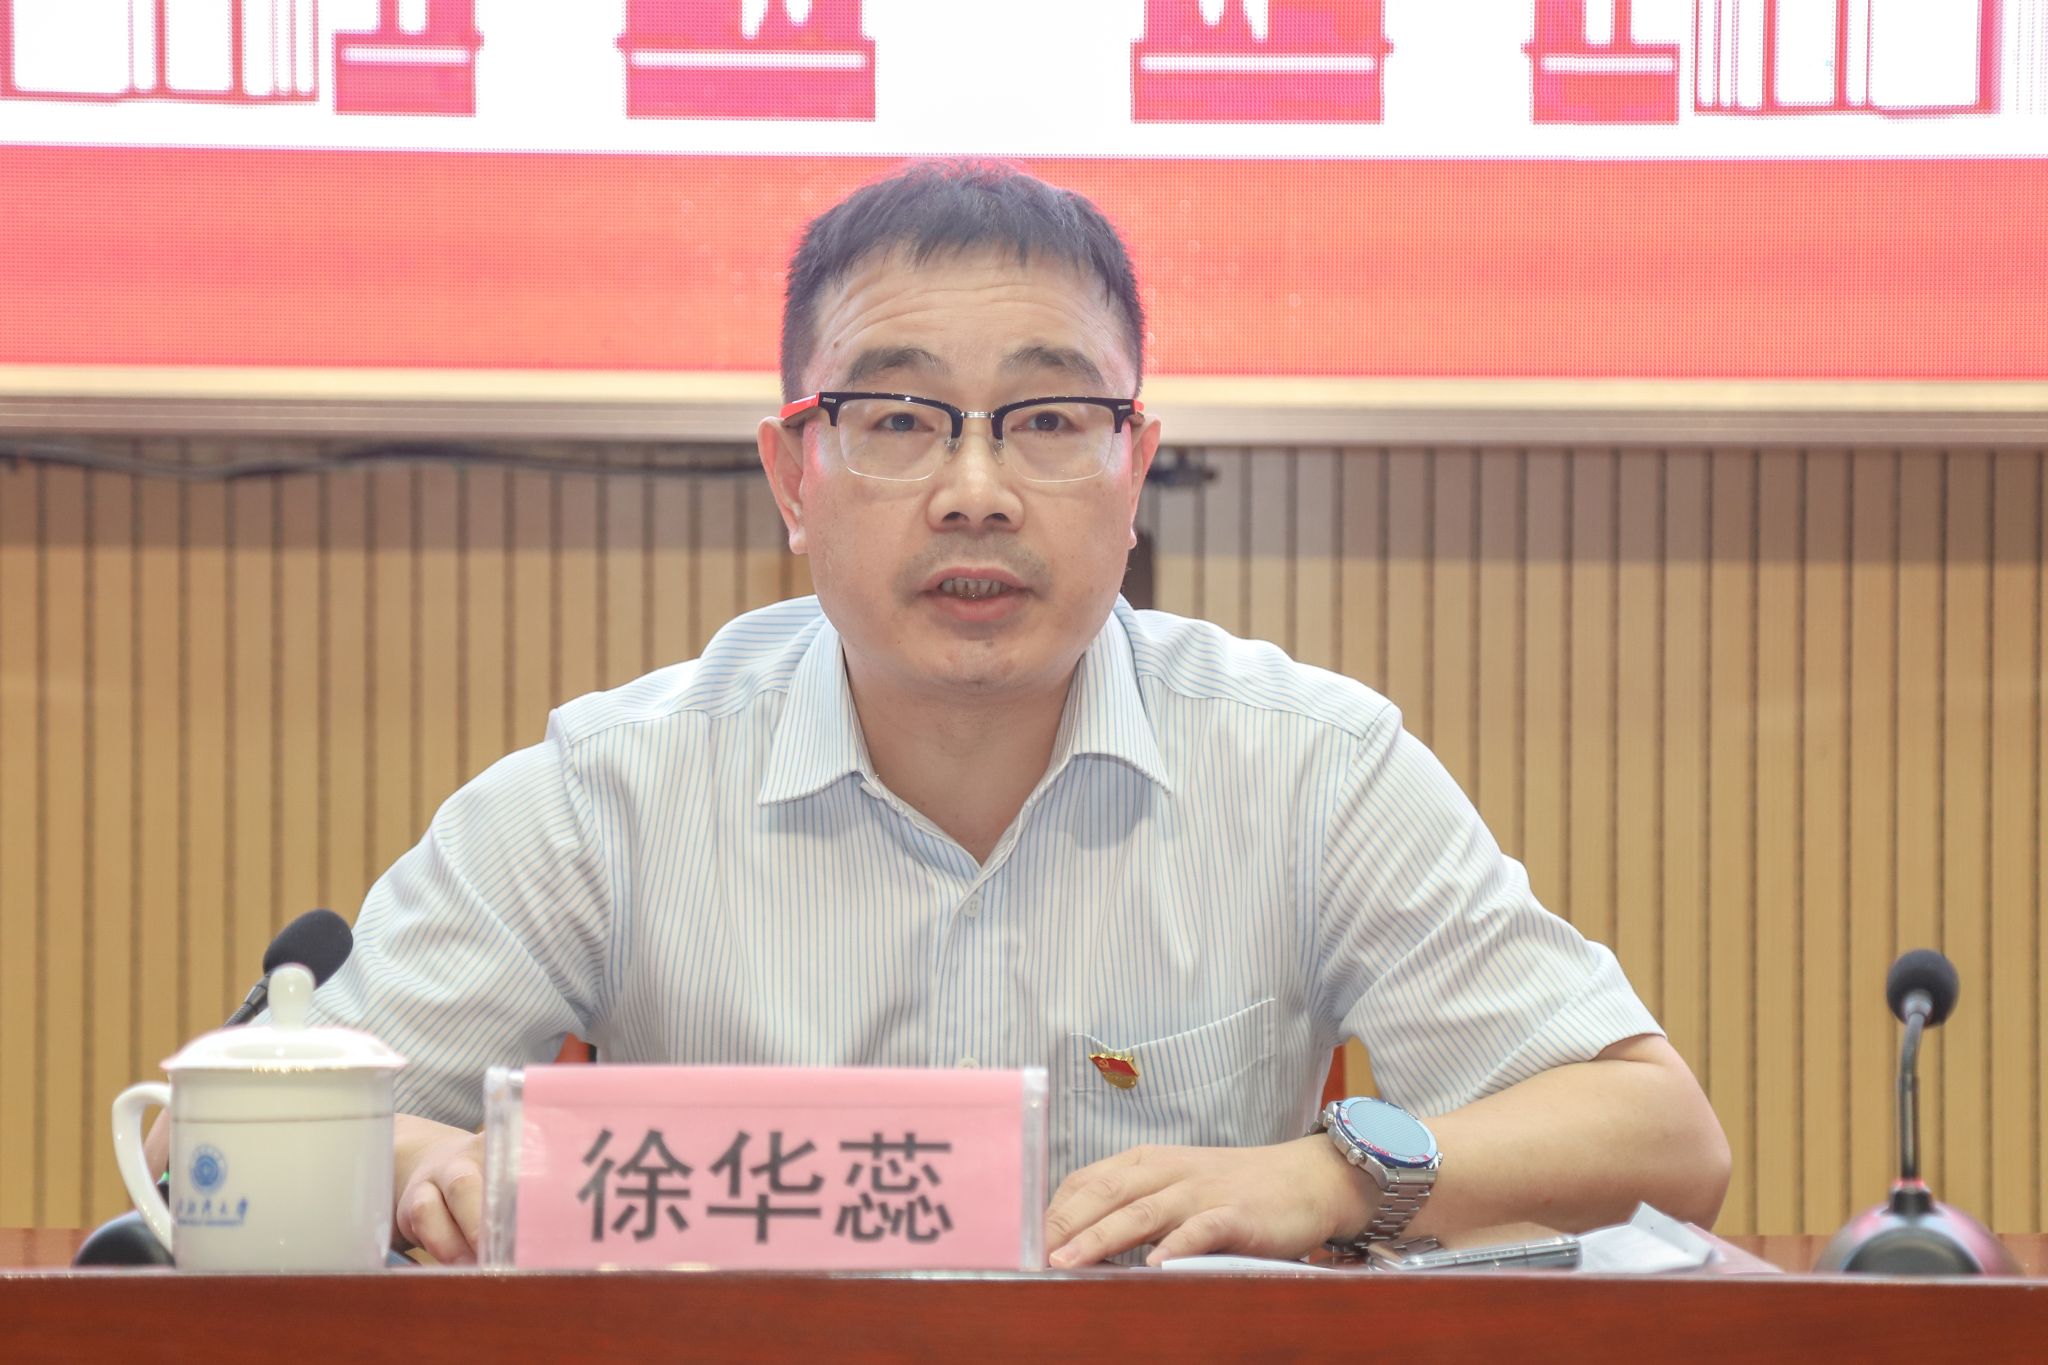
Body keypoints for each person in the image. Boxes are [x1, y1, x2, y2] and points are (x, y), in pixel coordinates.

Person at [150, 161, 1728, 1266]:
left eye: (1048, 419)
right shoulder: (612, 790)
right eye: (898, 419)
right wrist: (417, 1155)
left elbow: (1663, 1138)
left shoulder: (1311, 765)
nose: (976, 490)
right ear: (793, 474)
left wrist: (1328, 1175)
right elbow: (191, 1132)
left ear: (1133, 468)